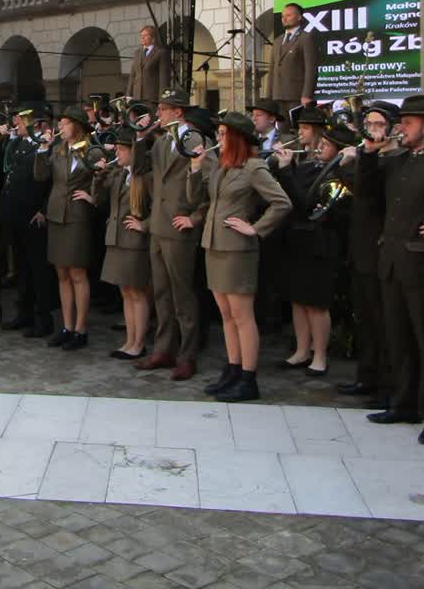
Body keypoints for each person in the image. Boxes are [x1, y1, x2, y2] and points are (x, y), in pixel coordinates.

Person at [356, 93, 424, 446]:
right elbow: (368, 194)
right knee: (398, 336)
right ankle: (404, 402)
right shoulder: (398, 159)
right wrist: (368, 154)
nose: (402, 128)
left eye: (409, 122)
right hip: (393, 257)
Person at [187, 112, 292, 402]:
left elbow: (281, 203)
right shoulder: (221, 168)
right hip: (214, 245)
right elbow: (199, 199)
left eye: (222, 134)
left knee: (242, 316)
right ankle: (233, 369)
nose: (218, 139)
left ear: (235, 138)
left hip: (237, 249)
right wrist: (196, 170)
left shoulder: (253, 167)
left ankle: (249, 377)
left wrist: (256, 229)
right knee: (226, 315)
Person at [137, 90, 210, 381]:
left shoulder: (193, 137)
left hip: (179, 227)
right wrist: (141, 136)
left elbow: (206, 180)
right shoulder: (163, 140)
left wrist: (195, 217)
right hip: (159, 226)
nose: (159, 114)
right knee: (161, 293)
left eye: (164, 109)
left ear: (178, 112)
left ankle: (187, 354)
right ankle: (164, 349)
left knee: (183, 296)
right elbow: (141, 168)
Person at [272, 122, 355, 376]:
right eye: (321, 143)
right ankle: (301, 350)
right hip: (297, 240)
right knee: (298, 300)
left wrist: (286, 172)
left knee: (316, 303)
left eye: (326, 145)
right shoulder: (308, 166)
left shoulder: (341, 176)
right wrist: (285, 169)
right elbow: (292, 199)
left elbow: (308, 205)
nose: (320, 147)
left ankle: (320, 355)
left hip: (321, 243)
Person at [336, 102, 397, 402]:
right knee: (365, 319)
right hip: (359, 248)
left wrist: (360, 159)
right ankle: (367, 376)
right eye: (369, 124)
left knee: (383, 322)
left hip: (380, 251)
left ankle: (387, 385)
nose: (373, 130)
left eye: (378, 125)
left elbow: (370, 194)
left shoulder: (394, 159)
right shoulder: (366, 157)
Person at [33, 106, 97, 351]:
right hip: (57, 214)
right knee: (62, 273)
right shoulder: (58, 150)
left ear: (77, 126)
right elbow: (40, 175)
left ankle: (81, 329)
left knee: (78, 273)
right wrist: (42, 148)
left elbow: (101, 178)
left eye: (65, 123)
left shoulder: (90, 150)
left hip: (78, 216)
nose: (60, 127)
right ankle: (67, 326)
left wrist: (92, 197)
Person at [92, 127, 152, 360]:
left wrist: (144, 225)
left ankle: (139, 342)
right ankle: (129, 339)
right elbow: (99, 198)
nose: (117, 152)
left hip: (134, 241)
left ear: (133, 151)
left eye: (121, 149)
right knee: (125, 292)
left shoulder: (145, 177)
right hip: (116, 238)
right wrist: (99, 174)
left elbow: (158, 207)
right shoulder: (119, 173)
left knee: (137, 293)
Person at [1, 106, 54, 338]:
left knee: (38, 269)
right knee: (22, 266)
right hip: (17, 213)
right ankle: (24, 312)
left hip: (34, 215)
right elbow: (7, 166)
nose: (16, 125)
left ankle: (43, 318)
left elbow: (51, 182)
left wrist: (44, 210)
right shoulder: (20, 145)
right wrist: (11, 138)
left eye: (21, 122)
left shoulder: (44, 147)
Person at [269, 2, 318, 119]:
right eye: (283, 16)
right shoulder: (277, 41)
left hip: (296, 96)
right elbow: (272, 70)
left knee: (296, 130)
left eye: (289, 15)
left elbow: (311, 69)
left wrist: (307, 95)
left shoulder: (306, 38)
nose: (284, 19)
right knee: (282, 133)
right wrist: (269, 96)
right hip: (278, 96)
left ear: (299, 17)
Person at [126, 25, 170, 104]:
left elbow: (164, 78)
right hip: (136, 97)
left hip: (152, 97)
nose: (142, 38)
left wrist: (163, 100)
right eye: (141, 36)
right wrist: (129, 94)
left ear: (153, 38)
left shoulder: (161, 52)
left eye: (145, 35)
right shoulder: (137, 53)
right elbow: (132, 75)